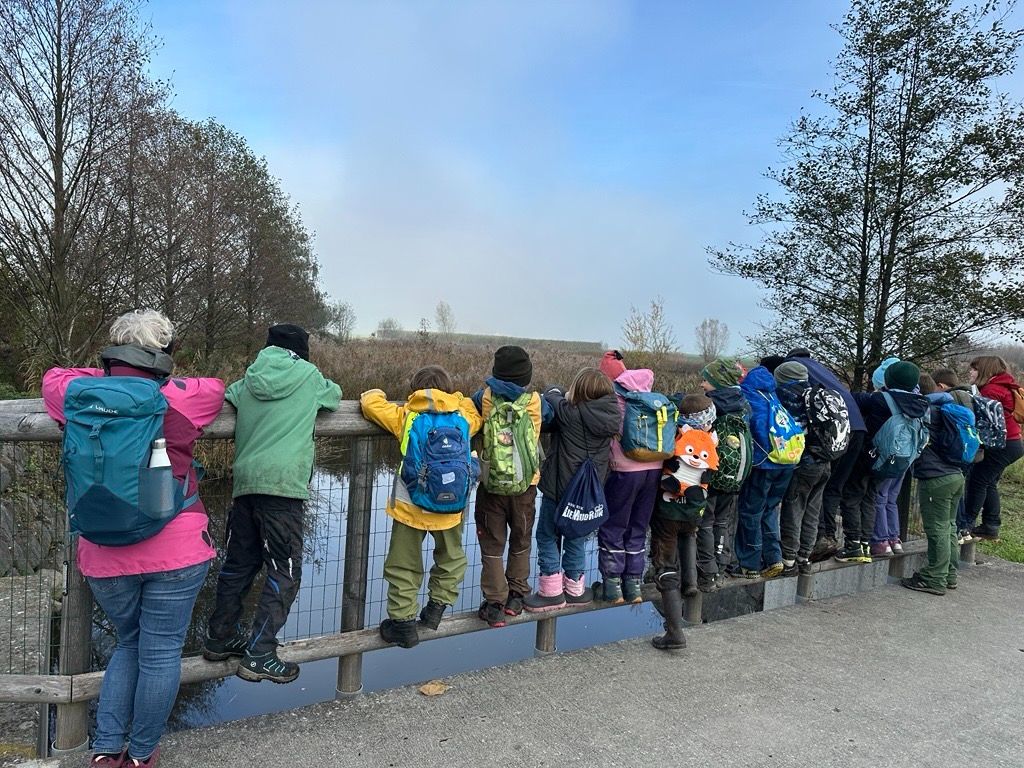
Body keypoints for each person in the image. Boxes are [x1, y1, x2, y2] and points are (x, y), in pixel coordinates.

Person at [42, 309, 225, 768]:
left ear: (113, 352)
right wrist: (154, 374)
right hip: (177, 550)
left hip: (104, 552)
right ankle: (141, 755)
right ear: (164, 354)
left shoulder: (77, 394)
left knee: (129, 642)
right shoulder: (182, 397)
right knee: (160, 653)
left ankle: (106, 751)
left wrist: (108, 375)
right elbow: (216, 387)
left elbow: (52, 378)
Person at [204, 324, 341, 683]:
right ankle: (260, 652)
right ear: (302, 352)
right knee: (285, 571)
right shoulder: (309, 376)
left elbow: (231, 395)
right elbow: (334, 396)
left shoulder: (250, 378)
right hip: (283, 488)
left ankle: (220, 636)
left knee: (239, 563)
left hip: (245, 484)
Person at [360, 366, 482, 647]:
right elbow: (472, 408)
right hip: (451, 507)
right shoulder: (463, 417)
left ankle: (403, 624)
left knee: (404, 564)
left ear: (414, 390)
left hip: (410, 506)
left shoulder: (408, 416)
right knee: (451, 558)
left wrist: (376, 391)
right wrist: (457, 398)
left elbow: (370, 404)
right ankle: (436, 608)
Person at [524, 368, 619, 613]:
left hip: (559, 490)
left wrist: (557, 390)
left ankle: (551, 591)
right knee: (576, 537)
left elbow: (552, 397)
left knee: (547, 535)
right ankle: (575, 590)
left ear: (580, 390)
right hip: (588, 495)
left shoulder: (571, 414)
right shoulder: (613, 416)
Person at [471, 346, 551, 626]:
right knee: (521, 539)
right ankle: (516, 597)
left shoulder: (484, 398)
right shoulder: (536, 402)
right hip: (525, 487)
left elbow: (469, 408)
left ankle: (495, 604)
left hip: (491, 485)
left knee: (492, 543)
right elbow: (552, 414)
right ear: (526, 377)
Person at [840, 361, 929, 563]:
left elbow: (852, 398)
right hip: (896, 461)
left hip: (869, 458)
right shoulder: (920, 404)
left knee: (852, 497)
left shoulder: (879, 399)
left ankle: (854, 545)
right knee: (871, 498)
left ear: (888, 379)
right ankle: (866, 542)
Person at [595, 350, 665, 603]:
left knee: (614, 525)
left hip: (624, 471)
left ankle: (612, 585)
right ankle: (633, 584)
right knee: (638, 526)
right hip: (654, 468)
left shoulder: (614, 398)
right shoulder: (648, 396)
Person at [649, 394, 719, 650]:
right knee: (689, 535)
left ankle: (674, 632)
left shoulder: (677, 435)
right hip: (694, 510)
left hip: (668, 512)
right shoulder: (712, 439)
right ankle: (690, 583)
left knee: (665, 565)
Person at [786, 349, 868, 563]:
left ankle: (824, 537)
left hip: (833, 430)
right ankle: (829, 538)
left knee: (820, 485)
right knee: (834, 486)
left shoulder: (795, 368)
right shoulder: (821, 369)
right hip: (854, 427)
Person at [901, 375, 967, 595]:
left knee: (937, 528)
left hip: (936, 479)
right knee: (949, 527)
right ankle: (949, 574)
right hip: (956, 475)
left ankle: (934, 578)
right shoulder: (947, 410)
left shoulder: (925, 412)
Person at [734, 365, 803, 579]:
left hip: (764, 465)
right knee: (769, 509)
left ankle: (750, 564)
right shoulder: (773, 396)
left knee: (751, 512)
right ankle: (774, 558)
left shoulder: (748, 396)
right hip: (786, 462)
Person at [696, 358, 751, 591]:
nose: (702, 384)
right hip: (734, 475)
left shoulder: (710, 406)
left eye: (706, 380)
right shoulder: (744, 404)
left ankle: (707, 571)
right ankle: (721, 565)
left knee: (705, 522)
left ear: (718, 382)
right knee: (722, 521)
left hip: (711, 473)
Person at [775, 361, 830, 576]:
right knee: (812, 511)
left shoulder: (787, 395)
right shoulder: (816, 395)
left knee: (793, 508)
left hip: (804, 462)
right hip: (824, 460)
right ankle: (804, 558)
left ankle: (789, 560)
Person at [963, 356, 1024, 540]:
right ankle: (990, 525)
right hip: (1013, 442)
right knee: (988, 481)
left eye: (974, 369)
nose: (970, 372)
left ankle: (966, 523)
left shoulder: (991, 390)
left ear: (985, 370)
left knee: (978, 480)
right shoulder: (1005, 386)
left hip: (1003, 444)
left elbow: (982, 421)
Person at [868, 358, 909, 558]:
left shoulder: (882, 400)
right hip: (905, 456)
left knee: (879, 496)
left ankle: (880, 541)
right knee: (891, 498)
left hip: (886, 457)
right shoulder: (914, 400)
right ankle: (895, 539)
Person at [933, 367, 979, 541]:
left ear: (941, 385)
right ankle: (963, 529)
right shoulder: (970, 394)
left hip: (956, 450)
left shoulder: (951, 397)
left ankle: (958, 528)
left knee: (954, 495)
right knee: (960, 490)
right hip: (972, 449)